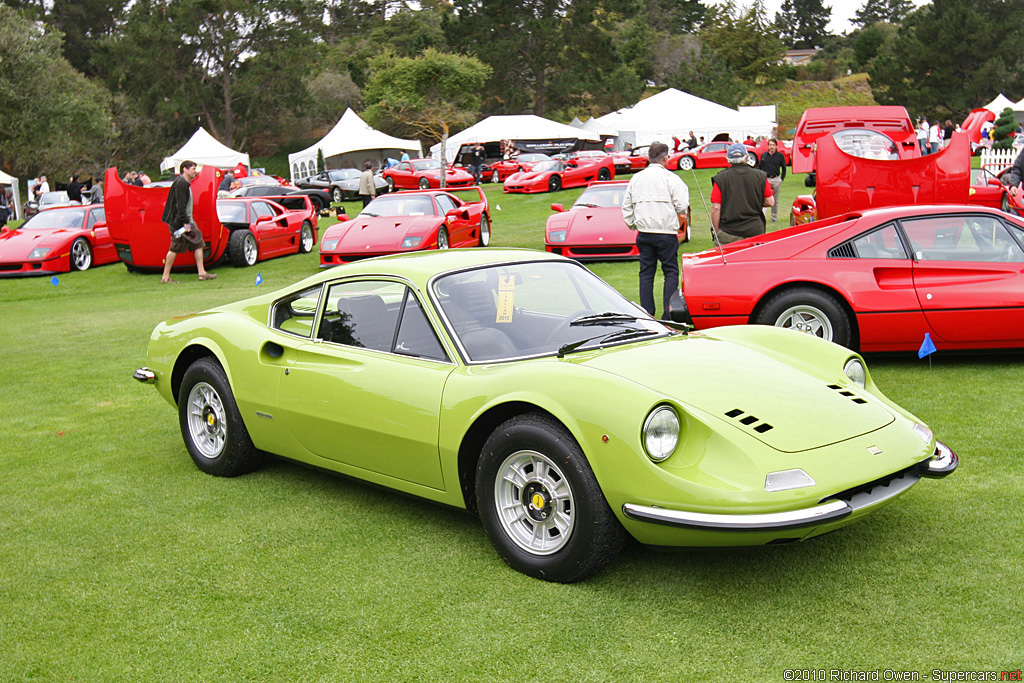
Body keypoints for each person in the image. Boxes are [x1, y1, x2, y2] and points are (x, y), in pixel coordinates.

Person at [621, 141, 689, 319]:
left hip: (644, 232)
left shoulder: (636, 178)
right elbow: (682, 205)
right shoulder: (670, 178)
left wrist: (632, 223)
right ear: (666, 158)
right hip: (666, 231)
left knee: (646, 272)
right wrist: (678, 212)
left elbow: (626, 205)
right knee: (670, 271)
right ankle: (669, 314)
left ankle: (647, 313)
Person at [160, 160, 216, 283]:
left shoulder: (184, 183)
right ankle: (165, 277)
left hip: (187, 221)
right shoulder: (181, 184)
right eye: (192, 169)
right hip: (179, 223)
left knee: (198, 244)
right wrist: (185, 223)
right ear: (184, 169)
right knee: (174, 247)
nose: (195, 171)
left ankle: (202, 273)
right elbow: (180, 206)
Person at [710, 143, 774, 245]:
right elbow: (770, 202)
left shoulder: (721, 178)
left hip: (728, 231)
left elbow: (716, 208)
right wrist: (754, 201)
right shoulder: (760, 176)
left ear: (728, 158)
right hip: (755, 231)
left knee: (727, 261)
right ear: (747, 156)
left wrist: (716, 231)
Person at [757, 139, 786, 223]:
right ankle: (763, 216)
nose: (772, 147)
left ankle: (774, 217)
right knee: (764, 198)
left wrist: (781, 179)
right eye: (770, 145)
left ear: (776, 146)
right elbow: (760, 167)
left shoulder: (780, 156)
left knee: (775, 199)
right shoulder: (764, 156)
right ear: (768, 146)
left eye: (773, 145)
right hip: (767, 179)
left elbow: (784, 168)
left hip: (776, 179)